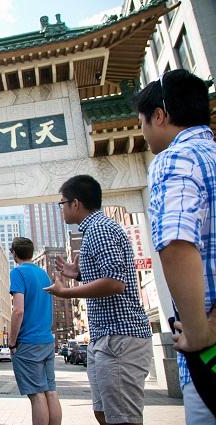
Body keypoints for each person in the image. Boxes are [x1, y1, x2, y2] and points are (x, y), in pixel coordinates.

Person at [133, 69, 216, 424]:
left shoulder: (173, 159)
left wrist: (198, 331)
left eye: (142, 122)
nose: (143, 132)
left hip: (208, 351)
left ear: (160, 116)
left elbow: (176, 241)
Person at [47, 175, 152, 425]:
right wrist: (79, 273)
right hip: (105, 337)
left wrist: (67, 292)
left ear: (75, 203)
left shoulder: (100, 229)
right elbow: (111, 275)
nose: (60, 208)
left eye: (61, 203)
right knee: (103, 413)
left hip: (119, 337)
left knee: (122, 418)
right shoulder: (94, 230)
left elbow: (115, 283)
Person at [8, 237, 62, 425]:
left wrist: (12, 341)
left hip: (28, 343)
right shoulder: (43, 274)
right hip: (46, 340)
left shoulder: (18, 273)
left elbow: (18, 310)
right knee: (50, 391)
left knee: (36, 395)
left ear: (14, 253)